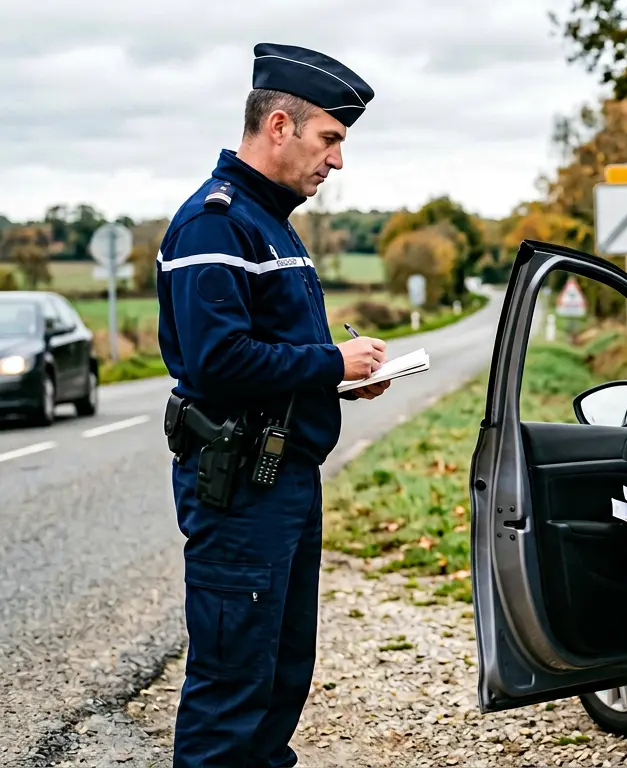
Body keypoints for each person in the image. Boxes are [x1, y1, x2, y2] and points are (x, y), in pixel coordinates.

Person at [155, 42, 391, 767]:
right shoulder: (216, 223)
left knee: (279, 678)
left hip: (283, 478)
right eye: (331, 139)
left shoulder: (268, 221)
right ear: (280, 126)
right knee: (231, 690)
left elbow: (269, 355)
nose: (337, 161)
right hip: (241, 487)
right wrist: (329, 362)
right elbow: (217, 361)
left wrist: (336, 378)